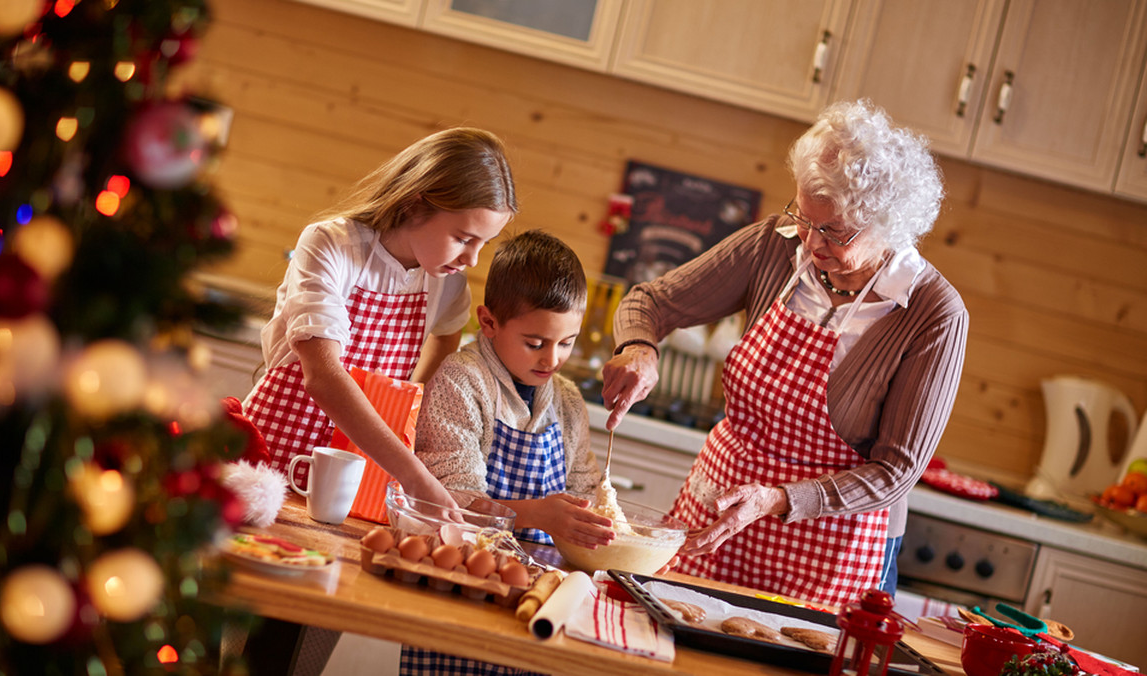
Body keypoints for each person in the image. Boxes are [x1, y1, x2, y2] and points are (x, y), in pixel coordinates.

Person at [601, 100, 968, 607]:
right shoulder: (775, 245)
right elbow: (651, 301)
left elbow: (894, 472)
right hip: (717, 517)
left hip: (830, 545)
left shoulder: (932, 312)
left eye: (833, 232)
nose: (810, 241)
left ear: (889, 225)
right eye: (803, 216)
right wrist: (639, 346)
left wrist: (778, 498)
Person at [242, 126, 517, 507]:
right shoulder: (331, 244)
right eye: (463, 238)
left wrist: (406, 412)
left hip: (360, 465)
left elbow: (447, 335)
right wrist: (415, 476)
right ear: (415, 204)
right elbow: (322, 376)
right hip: (267, 463)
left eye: (482, 244)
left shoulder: (444, 279)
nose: (471, 259)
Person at [403, 229, 614, 675]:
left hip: (538, 606)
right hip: (463, 592)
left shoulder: (569, 402)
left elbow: (585, 494)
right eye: (535, 343)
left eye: (567, 342)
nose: (552, 359)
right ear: (489, 321)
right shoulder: (462, 381)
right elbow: (449, 503)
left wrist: (600, 526)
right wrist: (540, 515)